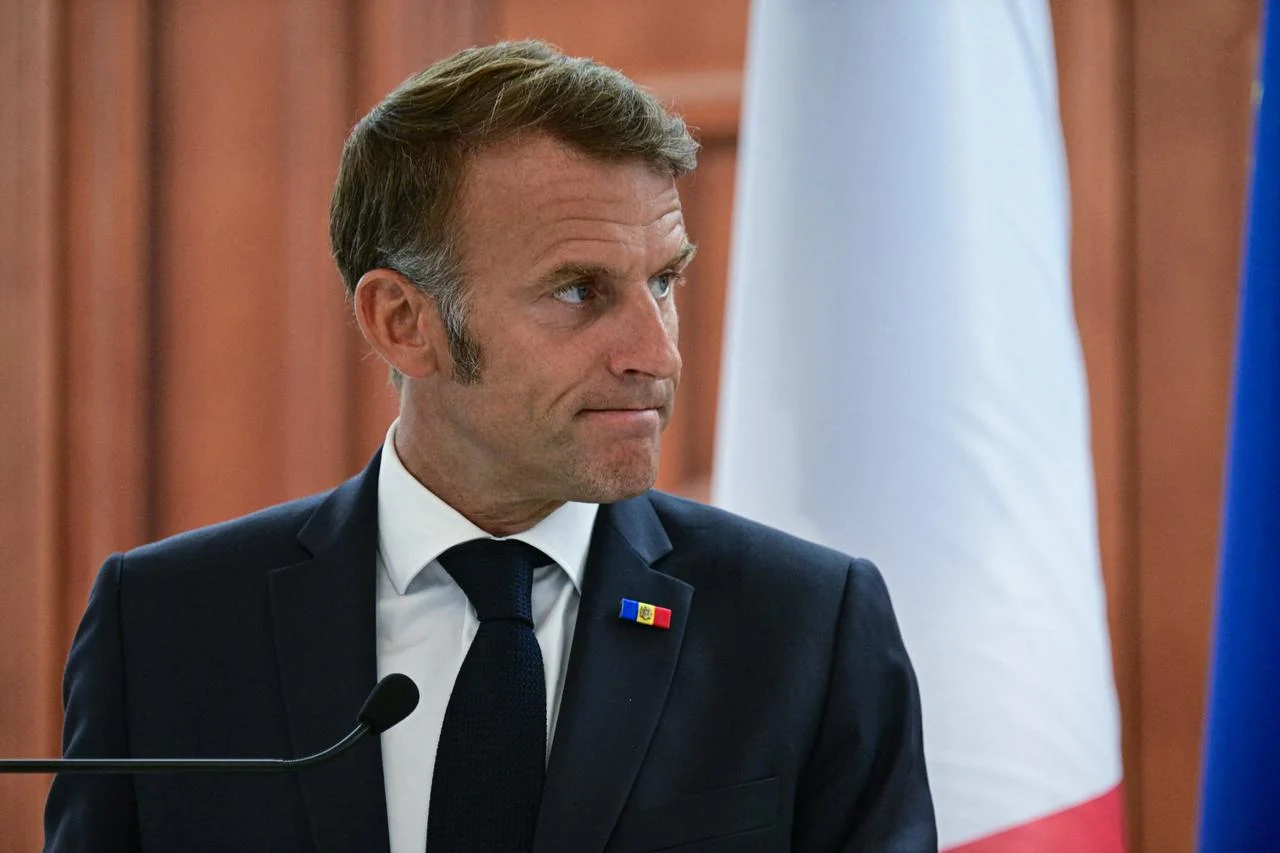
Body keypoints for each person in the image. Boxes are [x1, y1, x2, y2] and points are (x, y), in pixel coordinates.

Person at [44, 40, 935, 852]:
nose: (657, 354)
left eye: (663, 281)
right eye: (580, 291)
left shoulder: (805, 627)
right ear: (403, 322)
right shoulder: (165, 624)